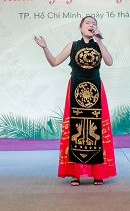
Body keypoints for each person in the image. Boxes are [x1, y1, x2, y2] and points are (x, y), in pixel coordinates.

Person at [34, 16, 116, 186]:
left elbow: (109, 62)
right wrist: (45, 48)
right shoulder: (72, 45)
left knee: (97, 129)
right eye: (88, 23)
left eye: (94, 24)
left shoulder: (98, 45)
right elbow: (54, 62)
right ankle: (75, 174)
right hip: (76, 90)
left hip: (95, 90)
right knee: (75, 129)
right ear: (80, 28)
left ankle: (98, 173)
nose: (91, 25)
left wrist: (99, 41)